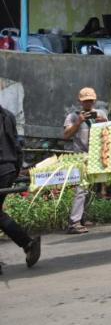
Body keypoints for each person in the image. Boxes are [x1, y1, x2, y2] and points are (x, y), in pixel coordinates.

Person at [0, 104, 40, 272]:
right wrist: (16, 169)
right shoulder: (8, 115)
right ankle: (27, 244)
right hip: (8, 169)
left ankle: (27, 243)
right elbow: (17, 144)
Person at [63, 87, 108, 234]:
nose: (88, 103)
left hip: (96, 156)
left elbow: (108, 133)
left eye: (90, 100)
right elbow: (66, 135)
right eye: (85, 101)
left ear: (94, 100)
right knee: (80, 189)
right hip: (80, 156)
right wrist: (78, 122)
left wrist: (103, 122)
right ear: (80, 101)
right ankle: (74, 222)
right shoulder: (72, 116)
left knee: (90, 189)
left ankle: (82, 218)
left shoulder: (101, 113)